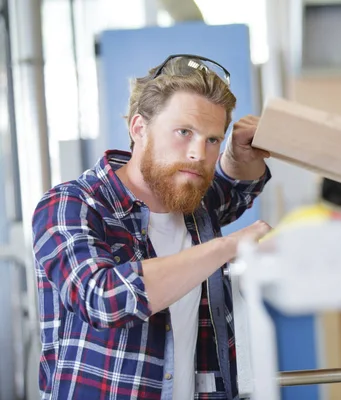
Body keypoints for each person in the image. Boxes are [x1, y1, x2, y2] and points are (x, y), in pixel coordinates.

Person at [31, 54, 272, 400]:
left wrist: (238, 153)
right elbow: (103, 298)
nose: (197, 154)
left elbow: (232, 188)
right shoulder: (71, 205)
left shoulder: (191, 204)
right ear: (139, 127)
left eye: (212, 140)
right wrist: (227, 248)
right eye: (184, 132)